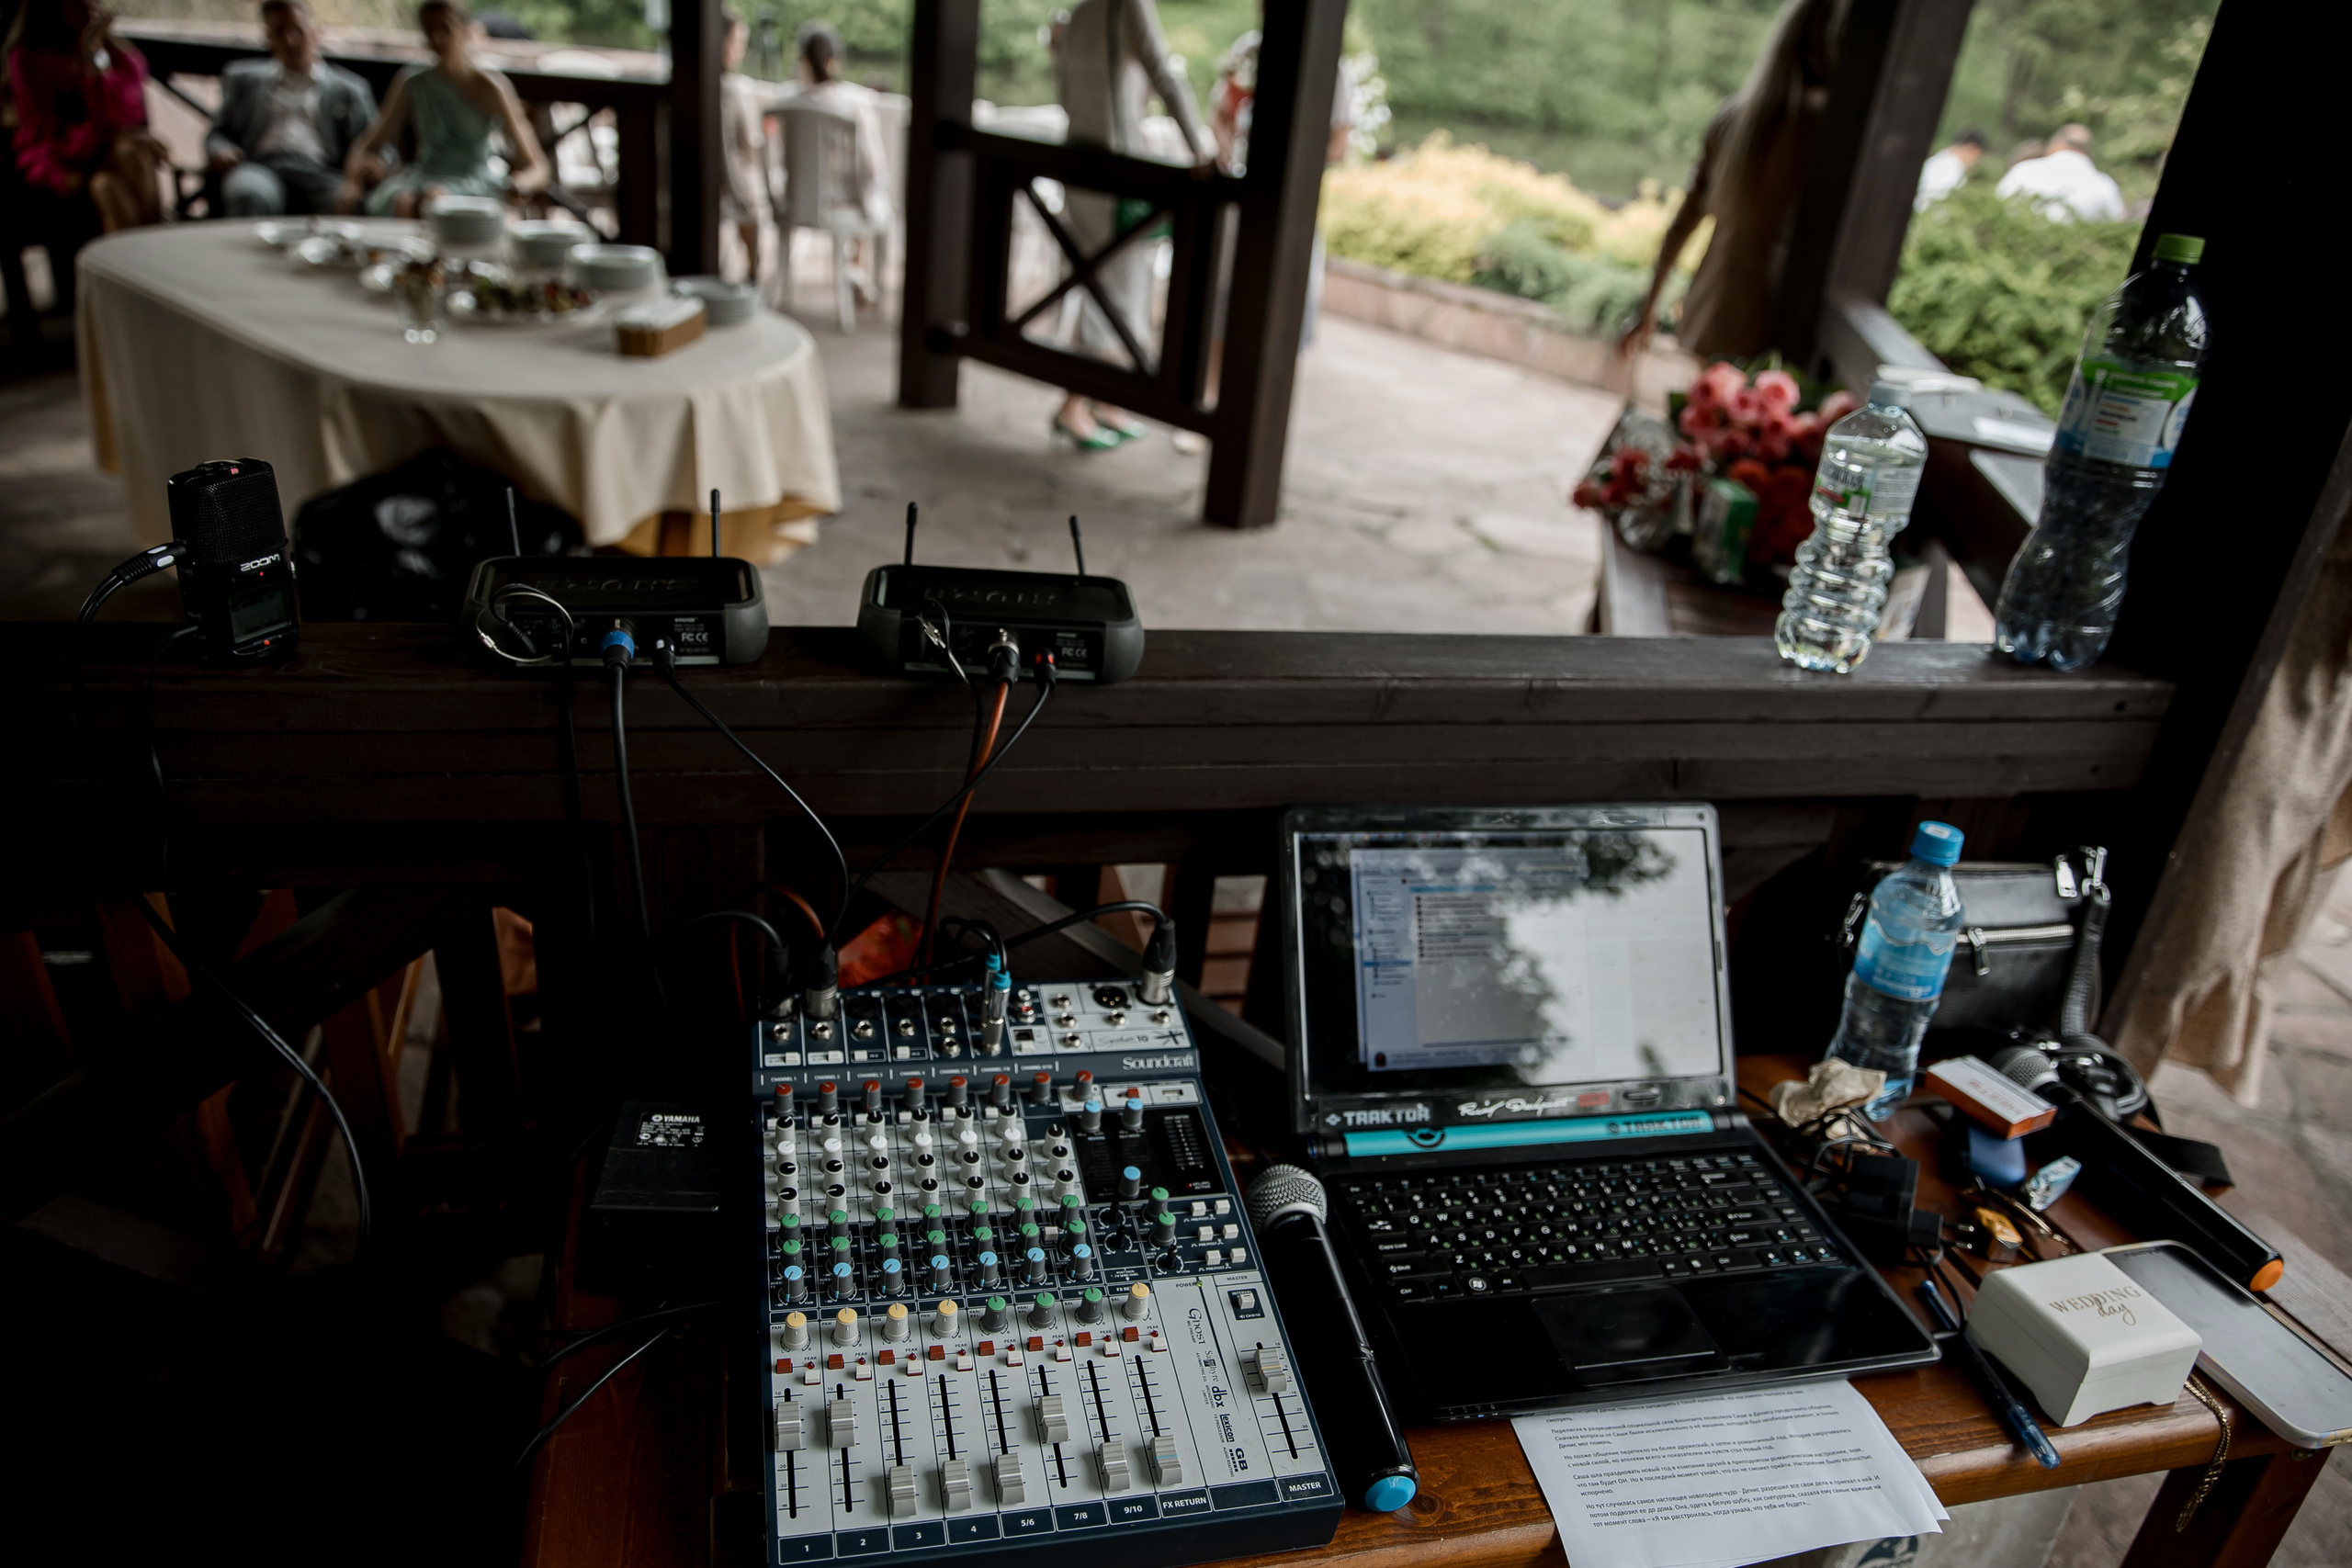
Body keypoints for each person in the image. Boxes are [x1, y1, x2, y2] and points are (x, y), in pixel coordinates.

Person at [1619, 0, 1846, 363]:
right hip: (1782, 324)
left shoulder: (1734, 119)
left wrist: (1648, 307)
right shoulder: (1832, 131)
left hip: (1716, 311)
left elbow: (1683, 221)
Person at [1048, 0, 1212, 450]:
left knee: (1096, 286)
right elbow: (1164, 73)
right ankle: (1073, 405)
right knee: (1114, 298)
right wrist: (1199, 146)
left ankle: (1104, 401)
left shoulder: (1076, 14)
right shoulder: (1128, 5)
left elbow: (1065, 96)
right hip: (1117, 174)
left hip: (1078, 166)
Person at [343, 0, 546, 218]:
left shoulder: (491, 87)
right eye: (430, 29)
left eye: (445, 29)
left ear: (464, 30)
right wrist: (351, 182)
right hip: (423, 175)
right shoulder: (413, 81)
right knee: (402, 201)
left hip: (474, 182)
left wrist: (521, 184)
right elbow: (369, 142)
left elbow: (537, 166)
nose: (438, 38)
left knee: (434, 199)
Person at [206, 0, 377, 218]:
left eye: (297, 29)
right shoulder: (243, 79)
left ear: (315, 32)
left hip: (321, 173)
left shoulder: (349, 89)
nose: (290, 40)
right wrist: (221, 150)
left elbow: (376, 143)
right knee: (248, 194)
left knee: (350, 201)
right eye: (279, 32)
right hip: (261, 167)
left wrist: (375, 164)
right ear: (268, 37)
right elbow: (217, 133)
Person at [6, 0, 164, 231]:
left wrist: (94, 57)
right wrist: (99, 137)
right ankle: (154, 252)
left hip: (109, 159)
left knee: (109, 182)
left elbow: (120, 118)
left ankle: (146, 253)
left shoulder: (115, 54)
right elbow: (43, 133)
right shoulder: (28, 58)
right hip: (64, 161)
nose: (89, 5)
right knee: (127, 154)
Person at [783, 23, 891, 300]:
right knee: (871, 194)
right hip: (843, 203)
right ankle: (858, 271)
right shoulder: (856, 102)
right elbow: (872, 167)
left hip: (797, 200)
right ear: (834, 61)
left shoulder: (788, 102)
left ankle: (854, 273)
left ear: (804, 61)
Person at [718, 6, 770, 281]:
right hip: (729, 185)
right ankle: (753, 271)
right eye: (737, 42)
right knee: (751, 196)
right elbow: (749, 146)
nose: (741, 50)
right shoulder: (736, 90)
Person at [1996, 122, 2125, 222]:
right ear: (2087, 151)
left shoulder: (2023, 171)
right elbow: (2117, 226)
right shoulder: (2106, 186)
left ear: (2055, 144)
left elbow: (1996, 207)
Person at [1914, 126, 1984, 211]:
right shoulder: (1948, 167)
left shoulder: (1944, 161)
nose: (1975, 161)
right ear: (1972, 148)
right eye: (1977, 155)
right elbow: (1933, 201)